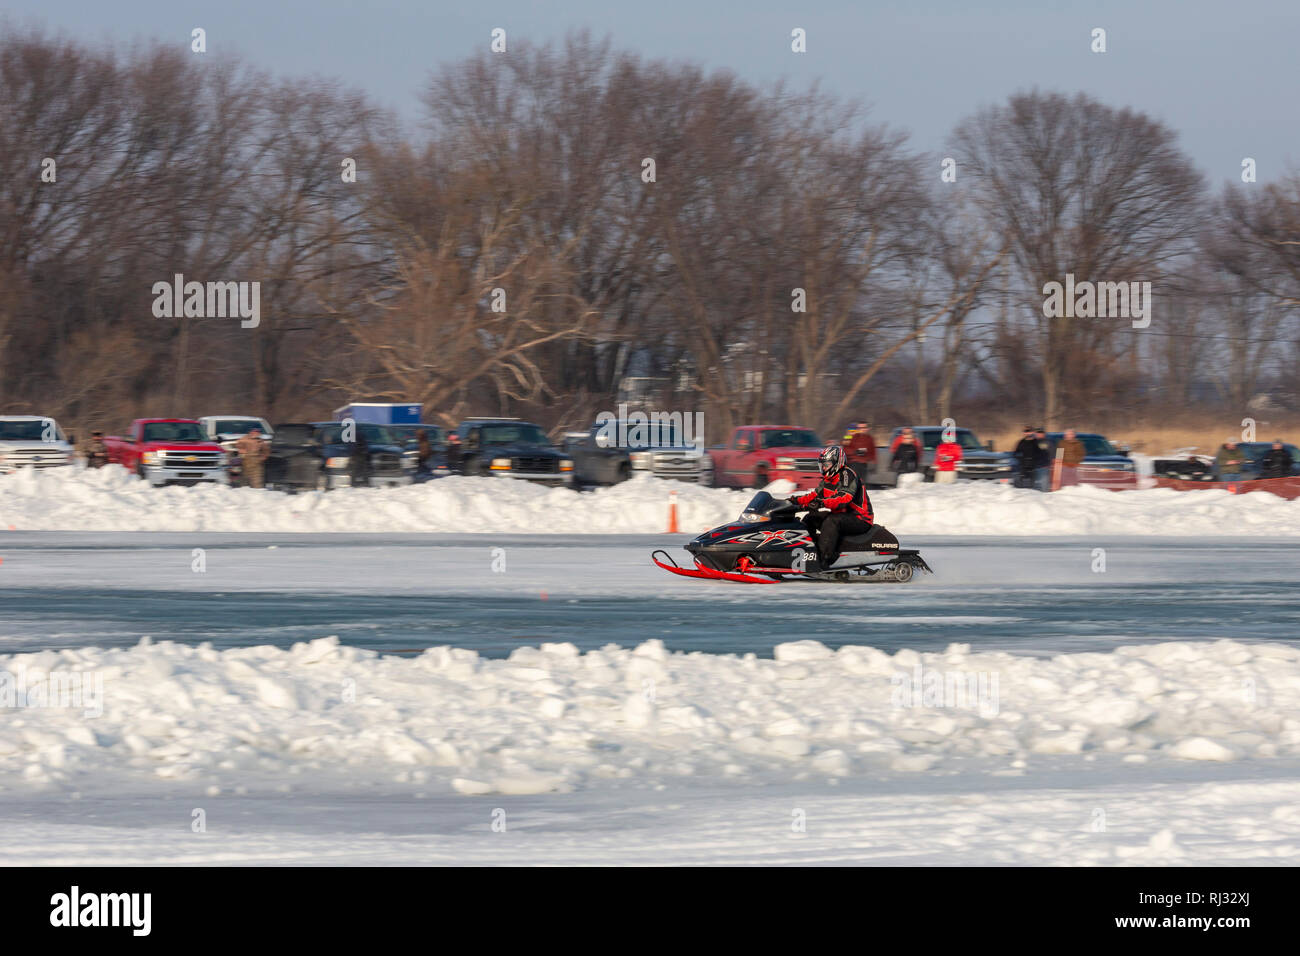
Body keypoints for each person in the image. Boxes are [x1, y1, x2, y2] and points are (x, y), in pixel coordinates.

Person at [786, 445, 875, 570]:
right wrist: (793, 501)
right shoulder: (828, 480)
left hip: (860, 519)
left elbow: (843, 498)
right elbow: (813, 496)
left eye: (826, 464)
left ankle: (823, 559)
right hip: (842, 516)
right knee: (810, 518)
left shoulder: (847, 475)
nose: (823, 468)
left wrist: (821, 503)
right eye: (822, 465)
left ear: (836, 464)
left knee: (831, 521)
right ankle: (807, 553)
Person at [844, 422, 877, 486]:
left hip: (864, 463)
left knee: (862, 483)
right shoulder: (849, 438)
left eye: (864, 427)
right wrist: (855, 451)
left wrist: (873, 462)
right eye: (860, 428)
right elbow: (846, 449)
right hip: (853, 463)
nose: (862, 429)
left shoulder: (869, 438)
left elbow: (872, 451)